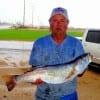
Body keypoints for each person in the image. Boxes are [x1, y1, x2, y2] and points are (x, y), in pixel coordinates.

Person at [29, 7, 85, 100]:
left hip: (68, 95)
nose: (58, 24)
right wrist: (34, 79)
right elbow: (34, 68)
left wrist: (82, 68)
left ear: (67, 23)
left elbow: (80, 73)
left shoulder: (76, 44)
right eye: (54, 20)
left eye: (62, 20)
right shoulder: (39, 43)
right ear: (50, 23)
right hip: (43, 95)